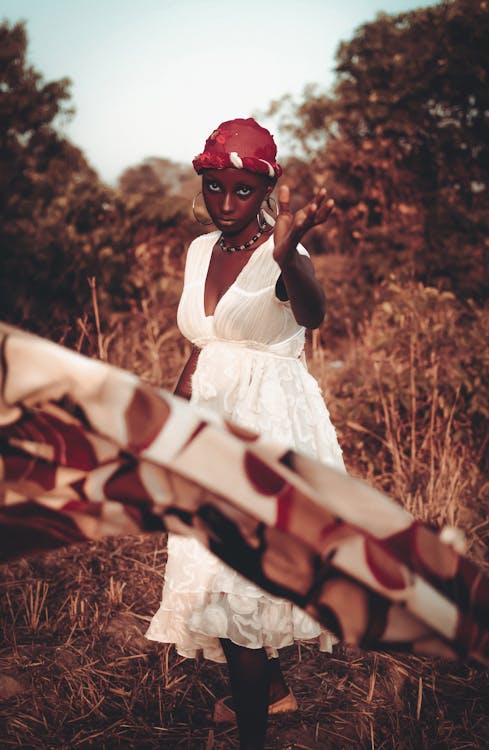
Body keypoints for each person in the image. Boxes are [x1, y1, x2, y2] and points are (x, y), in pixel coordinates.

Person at [146, 117, 346, 750]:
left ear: (266, 191)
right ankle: (276, 693)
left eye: (242, 191)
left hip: (270, 425)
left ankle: (254, 738)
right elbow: (204, 343)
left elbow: (311, 314)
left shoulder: (283, 249)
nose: (226, 205)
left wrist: (287, 254)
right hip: (212, 416)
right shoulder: (200, 252)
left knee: (238, 576)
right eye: (215, 188)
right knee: (225, 570)